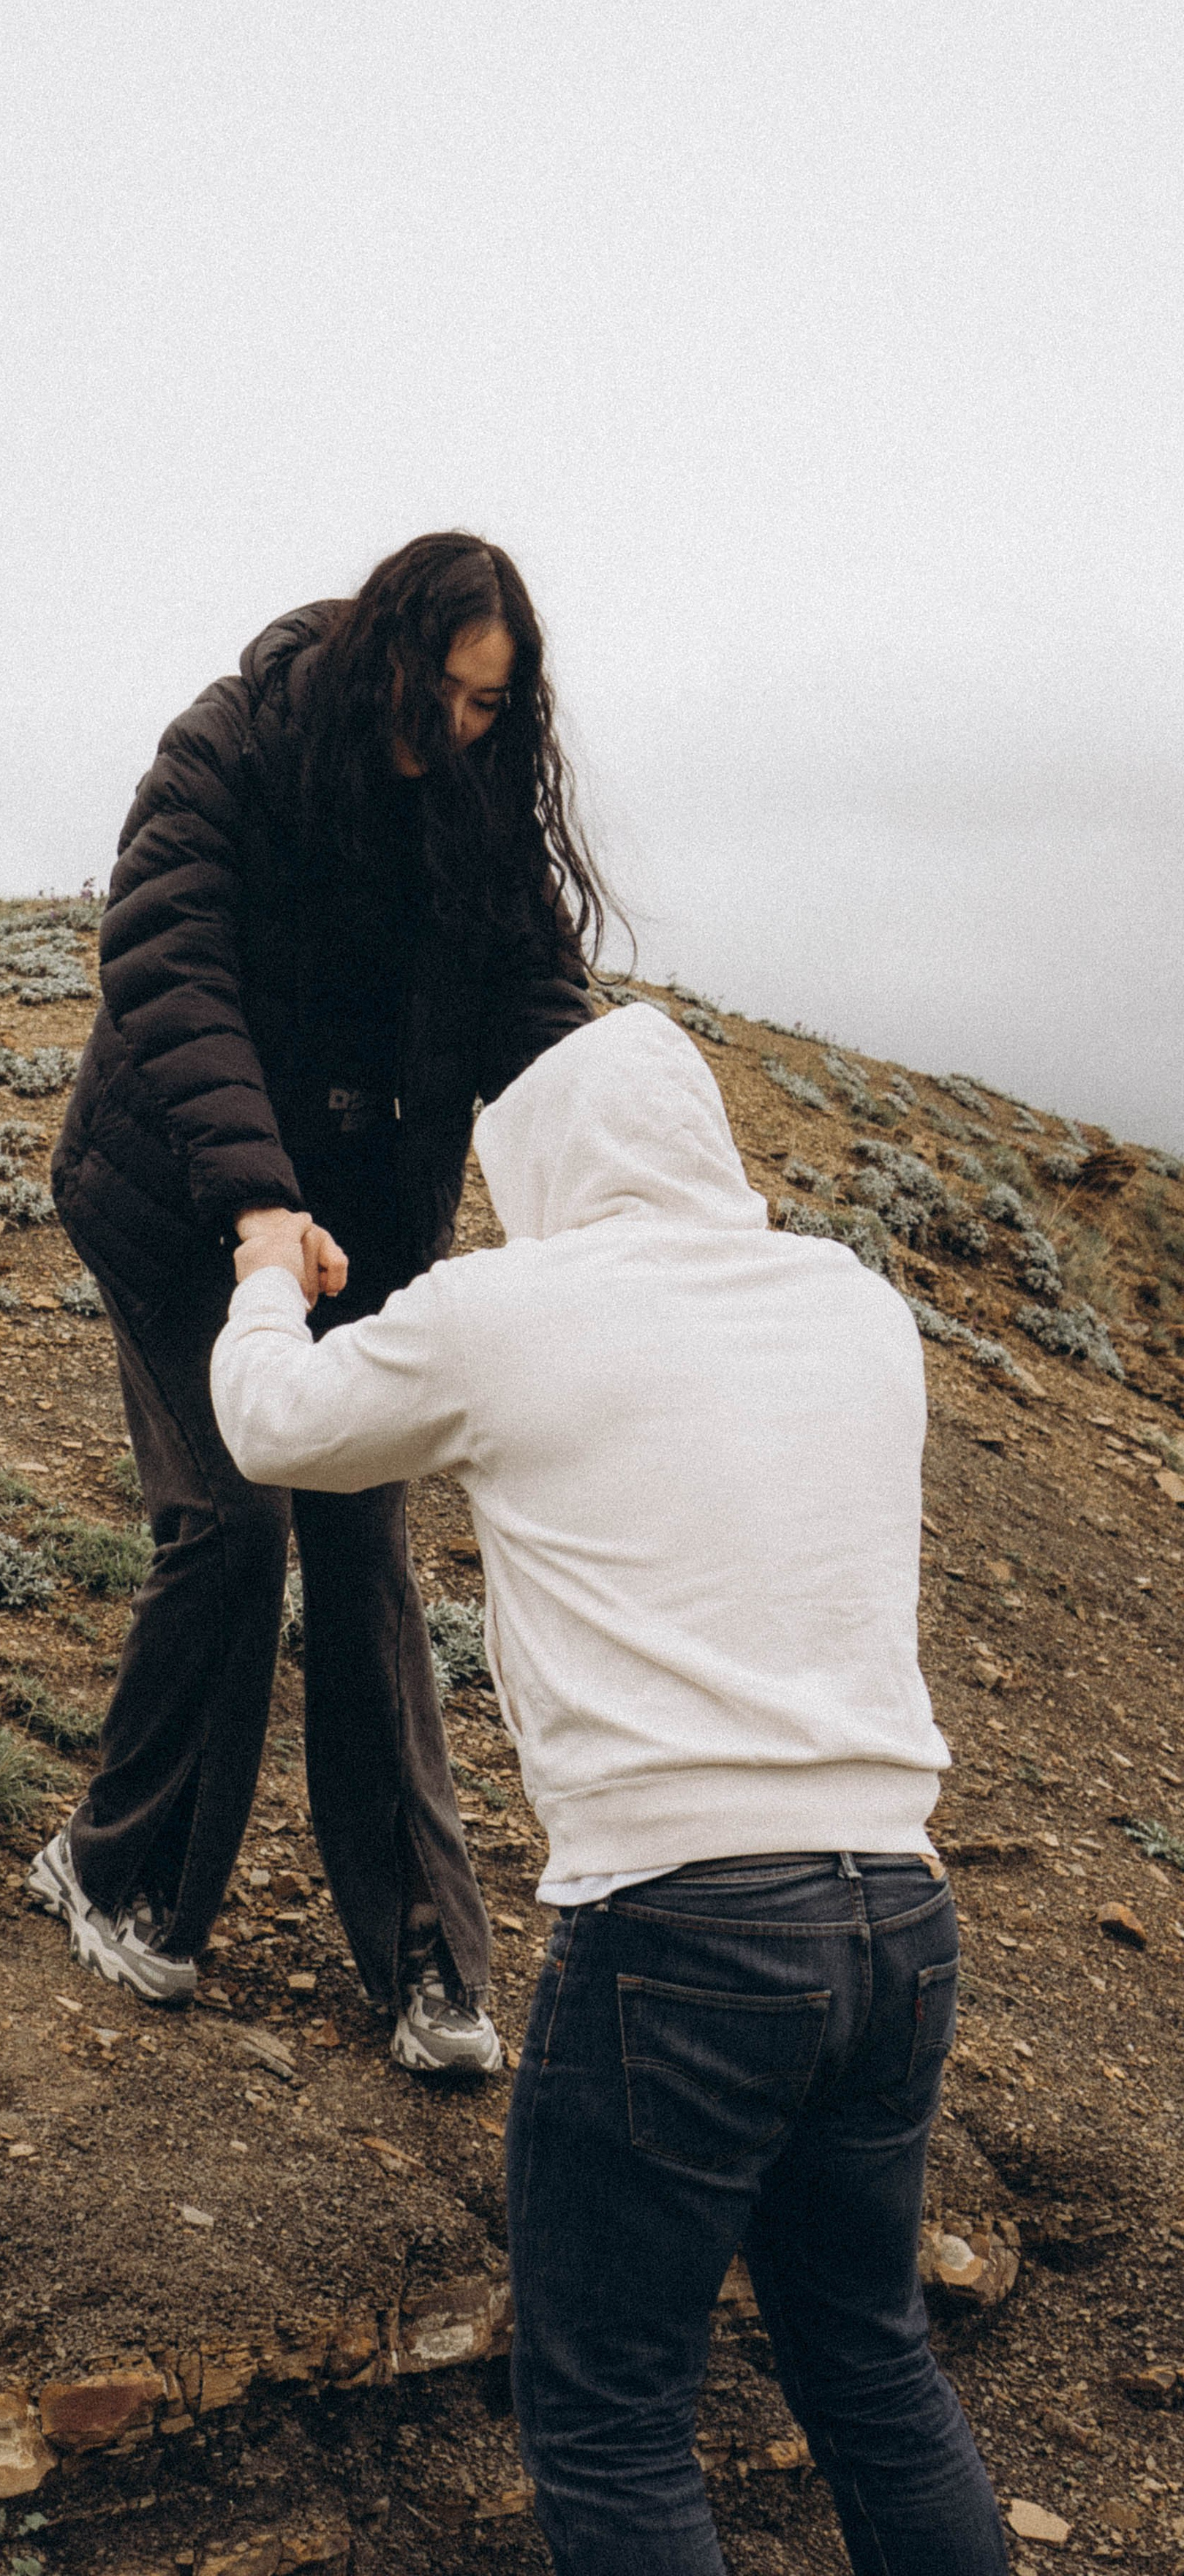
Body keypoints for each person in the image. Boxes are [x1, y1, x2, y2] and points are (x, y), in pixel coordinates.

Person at [208, 1003, 1009, 2575]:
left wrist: (257, 1267)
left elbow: (269, 1429)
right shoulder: (853, 1306)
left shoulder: (511, 1308)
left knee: (612, 2421)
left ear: (541, 1169)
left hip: (680, 1936)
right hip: (896, 1915)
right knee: (868, 2365)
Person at [32, 532, 611, 2074]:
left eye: (495, 709)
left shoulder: (480, 811)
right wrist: (253, 1207)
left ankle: (425, 1966)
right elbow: (167, 968)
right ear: (379, 655)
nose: (462, 731)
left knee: (361, 1551)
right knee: (234, 1521)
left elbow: (539, 1017)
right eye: (444, 695)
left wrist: (641, 1184)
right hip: (179, 1206)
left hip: (365, 1227)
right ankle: (118, 1873)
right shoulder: (232, 748)